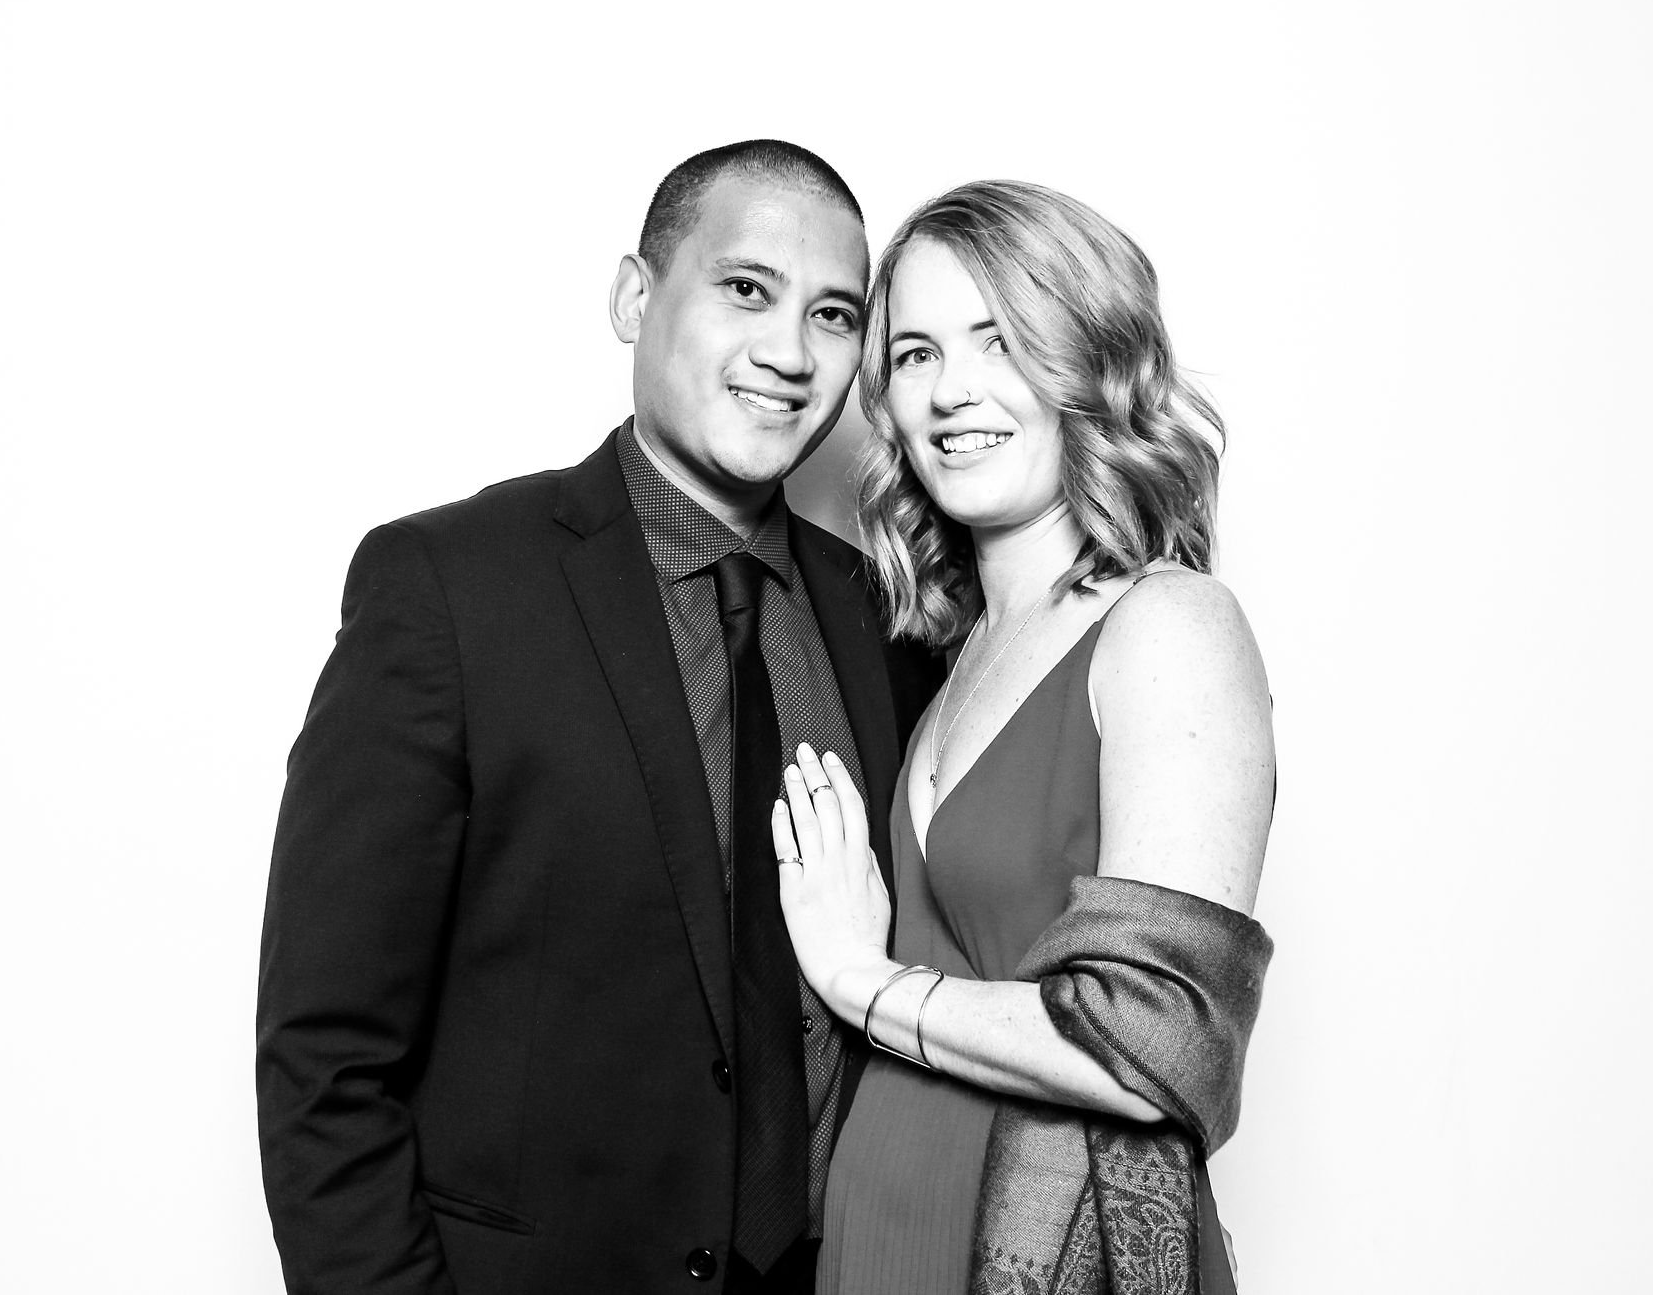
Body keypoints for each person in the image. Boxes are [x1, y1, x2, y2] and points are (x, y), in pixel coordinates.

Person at [256, 139, 938, 1295]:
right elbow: (325, 1058)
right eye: (744, 289)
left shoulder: (889, 618)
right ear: (634, 297)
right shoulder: (448, 590)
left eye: (832, 315)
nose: (787, 352)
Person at [770, 181, 1277, 1294]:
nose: (953, 389)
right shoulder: (949, 657)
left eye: (1000, 340)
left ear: (1088, 362)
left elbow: (1157, 1045)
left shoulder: (1167, 627)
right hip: (881, 1229)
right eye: (912, 354)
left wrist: (861, 981)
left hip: (1041, 1252)